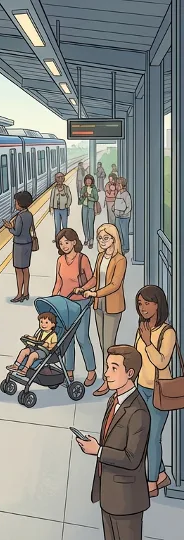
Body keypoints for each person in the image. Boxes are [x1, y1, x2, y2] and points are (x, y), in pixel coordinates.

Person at [75, 345, 149, 540]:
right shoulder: (113, 401)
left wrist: (98, 451)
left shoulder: (138, 412)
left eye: (113, 368)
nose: (106, 374)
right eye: (107, 367)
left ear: (130, 373)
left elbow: (132, 459)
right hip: (109, 494)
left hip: (127, 500)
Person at [132, 285, 175, 497]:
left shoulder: (168, 333)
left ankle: (152, 484)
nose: (143, 308)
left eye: (147, 303)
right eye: (140, 304)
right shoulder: (142, 328)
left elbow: (161, 362)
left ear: (158, 304)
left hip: (159, 391)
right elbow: (136, 357)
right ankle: (161, 475)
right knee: (143, 435)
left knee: (153, 437)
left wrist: (148, 342)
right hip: (141, 387)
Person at [76, 223, 127, 397]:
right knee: (102, 343)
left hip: (113, 306)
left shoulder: (120, 260)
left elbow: (115, 284)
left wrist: (95, 292)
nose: (103, 241)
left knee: (108, 346)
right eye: (100, 238)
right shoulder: (100, 257)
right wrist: (84, 288)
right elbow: (96, 278)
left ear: (114, 239)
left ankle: (108, 381)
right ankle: (110, 376)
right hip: (99, 305)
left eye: (106, 238)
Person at [51, 228, 97, 387]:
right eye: (61, 243)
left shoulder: (82, 259)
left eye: (67, 242)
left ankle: (91, 370)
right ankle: (68, 371)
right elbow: (58, 281)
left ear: (74, 242)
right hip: (65, 303)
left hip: (81, 302)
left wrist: (83, 289)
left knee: (82, 337)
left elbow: (93, 280)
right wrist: (53, 299)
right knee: (67, 339)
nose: (64, 246)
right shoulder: (60, 261)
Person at [2, 191, 34, 302]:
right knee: (26, 269)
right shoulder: (29, 214)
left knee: (18, 270)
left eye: (16, 202)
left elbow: (17, 232)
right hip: (28, 243)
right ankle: (26, 292)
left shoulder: (20, 217)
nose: (15, 204)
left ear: (20, 203)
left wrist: (9, 227)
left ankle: (19, 294)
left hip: (19, 245)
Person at [77, 175, 99, 248]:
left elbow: (96, 198)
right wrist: (83, 195)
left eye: (90, 180)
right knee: (84, 223)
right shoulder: (83, 188)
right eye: (87, 180)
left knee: (90, 224)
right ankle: (86, 238)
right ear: (85, 181)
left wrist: (88, 196)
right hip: (84, 207)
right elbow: (80, 199)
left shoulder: (94, 189)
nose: (88, 182)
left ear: (92, 181)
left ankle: (91, 240)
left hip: (91, 207)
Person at [48, 172, 72, 239]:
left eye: (61, 177)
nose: (60, 179)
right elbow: (52, 198)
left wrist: (67, 205)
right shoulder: (54, 189)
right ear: (56, 179)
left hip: (64, 209)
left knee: (64, 225)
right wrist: (51, 207)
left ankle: (65, 238)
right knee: (57, 225)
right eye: (58, 178)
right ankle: (57, 238)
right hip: (56, 210)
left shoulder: (66, 188)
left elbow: (69, 198)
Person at [113, 177, 131, 255]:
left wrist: (124, 213)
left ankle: (125, 248)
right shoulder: (118, 193)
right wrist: (113, 207)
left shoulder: (126, 194)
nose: (117, 185)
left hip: (124, 217)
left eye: (118, 184)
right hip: (117, 216)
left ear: (122, 185)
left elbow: (129, 207)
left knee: (124, 232)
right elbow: (117, 203)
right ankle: (120, 246)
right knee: (118, 232)